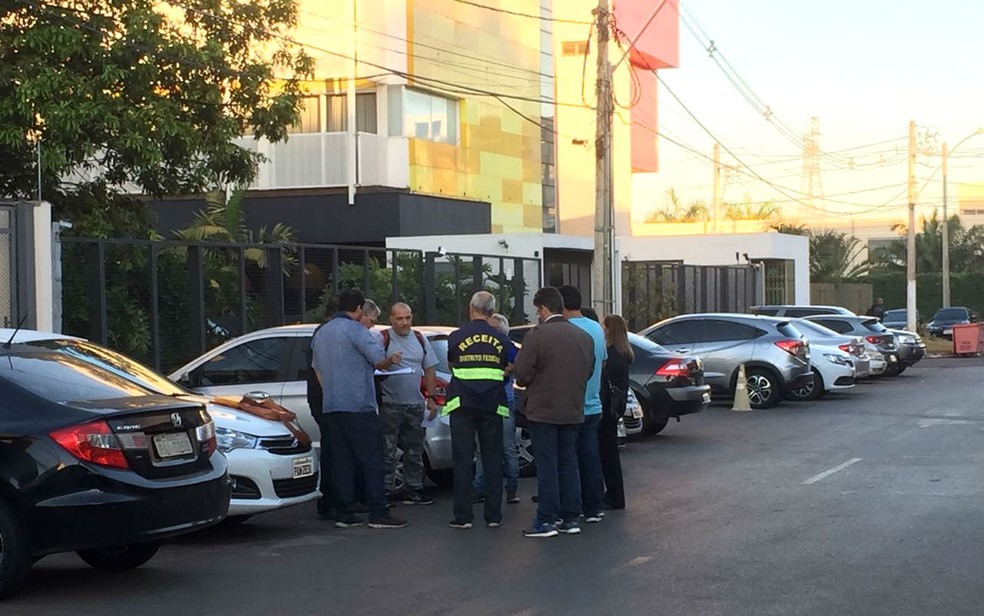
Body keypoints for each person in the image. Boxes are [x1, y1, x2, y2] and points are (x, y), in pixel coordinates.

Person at [311, 288, 407, 529]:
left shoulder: (323, 332)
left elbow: (317, 369)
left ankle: (345, 513)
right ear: (359, 309)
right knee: (372, 458)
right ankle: (378, 512)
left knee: (341, 459)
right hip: (359, 404)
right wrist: (391, 360)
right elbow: (379, 361)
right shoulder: (356, 330)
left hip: (332, 405)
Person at [513, 286, 594, 538]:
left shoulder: (537, 335)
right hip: (573, 408)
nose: (537, 315)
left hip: (543, 410)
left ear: (544, 308)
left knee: (547, 465)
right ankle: (571, 518)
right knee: (569, 463)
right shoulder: (583, 337)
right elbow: (589, 372)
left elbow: (523, 374)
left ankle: (546, 519)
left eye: (538, 310)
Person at [445, 291, 511, 529]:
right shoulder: (501, 339)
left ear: (470, 307)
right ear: (492, 311)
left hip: (462, 404)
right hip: (492, 404)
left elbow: (451, 363)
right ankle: (493, 516)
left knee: (463, 459)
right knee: (493, 459)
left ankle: (463, 516)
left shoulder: (456, 336)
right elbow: (512, 363)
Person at [378, 302, 438, 506]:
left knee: (415, 449)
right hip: (390, 404)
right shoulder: (382, 338)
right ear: (391, 320)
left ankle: (413, 489)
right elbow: (373, 366)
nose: (404, 322)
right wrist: (388, 361)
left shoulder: (419, 339)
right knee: (387, 450)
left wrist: (430, 397)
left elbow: (430, 369)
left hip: (415, 403)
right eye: (399, 318)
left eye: (408, 318)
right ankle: (384, 491)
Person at [558, 285, 607, 524]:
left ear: (562, 305)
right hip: (593, 403)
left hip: (568, 405)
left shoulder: (565, 330)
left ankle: (570, 507)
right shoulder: (596, 328)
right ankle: (594, 507)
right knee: (590, 456)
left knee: (566, 460)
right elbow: (602, 363)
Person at [472, 313, 521, 505]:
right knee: (483, 447)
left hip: (501, 399)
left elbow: (516, 364)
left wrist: (507, 369)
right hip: (485, 399)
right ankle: (480, 488)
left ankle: (511, 488)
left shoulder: (507, 346)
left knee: (507, 446)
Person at [307, 298, 342, 521]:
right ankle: (329, 501)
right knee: (333, 452)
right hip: (326, 400)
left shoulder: (322, 332)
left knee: (333, 450)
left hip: (322, 399)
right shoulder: (327, 334)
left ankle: (331, 500)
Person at [600, 314, 632, 510]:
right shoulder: (623, 353)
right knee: (609, 451)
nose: (601, 328)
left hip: (606, 406)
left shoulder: (611, 356)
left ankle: (614, 495)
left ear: (610, 329)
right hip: (616, 407)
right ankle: (614, 494)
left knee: (606, 453)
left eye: (604, 325)